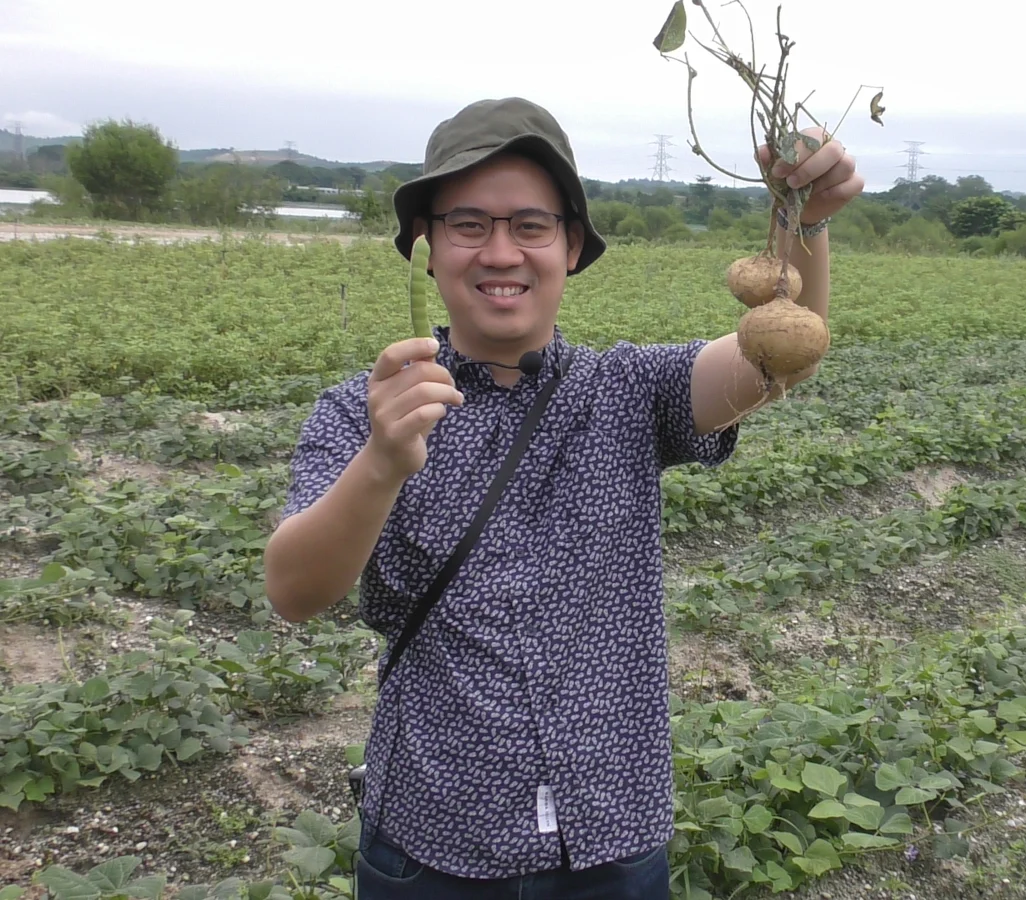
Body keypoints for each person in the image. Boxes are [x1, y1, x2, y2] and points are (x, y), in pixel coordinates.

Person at [261, 96, 862, 899]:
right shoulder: (360, 412)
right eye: (468, 225)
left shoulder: (627, 390)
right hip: (436, 839)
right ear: (426, 248)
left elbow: (781, 354)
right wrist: (381, 462)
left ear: (570, 247)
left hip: (612, 834)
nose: (500, 252)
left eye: (531, 226)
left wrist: (804, 220)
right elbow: (295, 593)